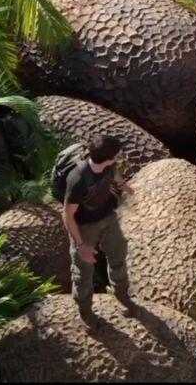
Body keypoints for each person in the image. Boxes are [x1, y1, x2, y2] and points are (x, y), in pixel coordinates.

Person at [61, 135, 135, 322]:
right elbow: (67, 215)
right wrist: (80, 246)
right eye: (116, 155)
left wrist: (124, 186)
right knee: (83, 273)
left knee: (118, 255)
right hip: (84, 228)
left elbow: (114, 174)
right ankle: (85, 313)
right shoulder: (77, 179)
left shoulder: (109, 165)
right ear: (108, 157)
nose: (118, 157)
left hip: (108, 218)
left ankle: (122, 296)